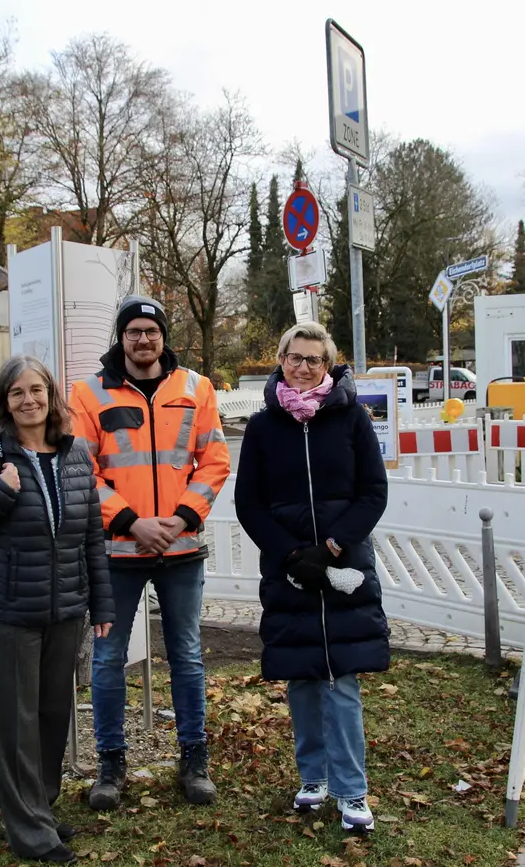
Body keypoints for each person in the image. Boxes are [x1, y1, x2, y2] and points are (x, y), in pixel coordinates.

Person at [0, 355, 116, 864]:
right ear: (3, 402)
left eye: (36, 390)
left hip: (64, 612)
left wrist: (101, 602)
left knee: (51, 717)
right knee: (14, 724)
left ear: (52, 396)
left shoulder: (77, 454)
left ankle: (39, 807)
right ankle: (30, 832)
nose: (29, 400)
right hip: (7, 613)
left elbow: (91, 538)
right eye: (17, 393)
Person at [68, 295, 232, 811]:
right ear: (121, 337)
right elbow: (82, 471)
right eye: (134, 331)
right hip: (118, 549)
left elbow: (214, 461)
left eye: (151, 331)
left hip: (180, 547)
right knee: (109, 658)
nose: (143, 340)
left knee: (185, 655)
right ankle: (111, 763)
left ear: (164, 336)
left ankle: (193, 757)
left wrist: (180, 519)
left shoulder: (196, 388)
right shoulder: (87, 393)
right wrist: (133, 522)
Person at [233, 322, 390, 833]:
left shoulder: (352, 419)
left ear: (329, 365)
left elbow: (373, 492)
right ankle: (313, 778)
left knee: (341, 678)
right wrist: (289, 555)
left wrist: (331, 549)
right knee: (301, 677)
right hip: (289, 571)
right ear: (279, 360)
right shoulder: (261, 427)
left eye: (314, 360)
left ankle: (351, 790)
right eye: (294, 357)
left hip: (342, 565)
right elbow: (248, 504)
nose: (303, 367)